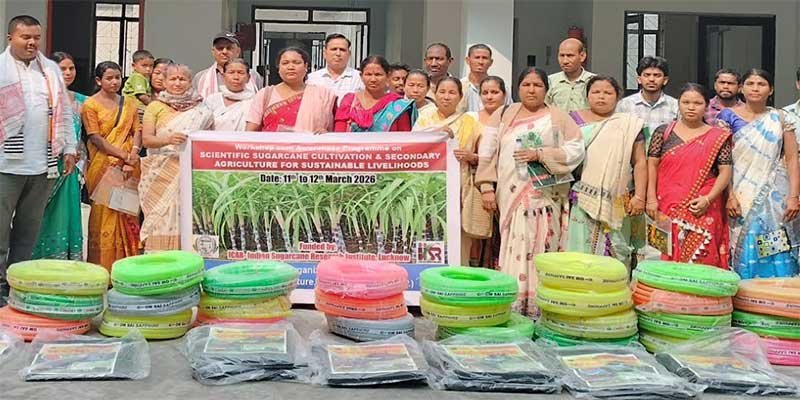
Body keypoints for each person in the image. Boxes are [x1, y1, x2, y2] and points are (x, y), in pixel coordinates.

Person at [475, 67, 584, 317]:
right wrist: (486, 187)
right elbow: (487, 153)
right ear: (518, 88)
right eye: (526, 85)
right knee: (515, 243)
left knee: (543, 243)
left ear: (546, 89)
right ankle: (514, 301)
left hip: (546, 196)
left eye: (537, 85)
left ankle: (541, 304)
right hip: (510, 194)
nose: (531, 90)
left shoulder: (558, 117)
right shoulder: (503, 115)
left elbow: (576, 149)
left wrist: (541, 154)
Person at [1, 16, 77, 299]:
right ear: (10, 38)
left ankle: (16, 283)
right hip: (5, 165)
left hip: (43, 164)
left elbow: (64, 111)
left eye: (36, 37)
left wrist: (69, 148)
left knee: (28, 229)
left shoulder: (50, 70)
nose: (32, 42)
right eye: (25, 37)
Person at [717, 69, 800, 278]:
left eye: (761, 84)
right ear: (741, 89)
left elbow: (792, 158)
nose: (755, 88)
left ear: (770, 90)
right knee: (739, 244)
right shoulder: (727, 117)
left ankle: (773, 290)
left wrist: (793, 196)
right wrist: (729, 195)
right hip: (738, 195)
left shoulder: (781, 118)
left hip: (774, 199)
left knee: (773, 248)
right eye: (750, 84)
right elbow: (722, 161)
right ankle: (743, 291)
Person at [646, 83, 732, 269]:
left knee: (703, 257)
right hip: (666, 204)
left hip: (703, 204)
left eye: (697, 103)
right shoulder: (664, 132)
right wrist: (650, 199)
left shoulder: (718, 136)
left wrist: (708, 199)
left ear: (706, 105)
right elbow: (651, 165)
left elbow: (725, 171)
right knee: (664, 255)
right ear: (678, 103)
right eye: (686, 102)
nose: (691, 107)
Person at [567, 75, 646, 268]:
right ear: (587, 95)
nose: (601, 96)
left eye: (608, 93)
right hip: (582, 196)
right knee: (580, 253)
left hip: (619, 198)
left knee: (617, 249)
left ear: (618, 97)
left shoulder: (629, 124)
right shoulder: (573, 120)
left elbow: (640, 162)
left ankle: (613, 285)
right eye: (596, 92)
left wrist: (640, 196)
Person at [139, 63, 213, 252]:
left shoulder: (202, 109)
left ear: (190, 82)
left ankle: (186, 261)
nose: (177, 83)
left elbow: (209, 139)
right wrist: (168, 139)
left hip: (190, 173)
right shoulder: (155, 107)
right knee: (159, 218)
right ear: (164, 82)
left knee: (188, 217)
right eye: (173, 79)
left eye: (182, 79)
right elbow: (147, 140)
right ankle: (158, 260)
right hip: (160, 173)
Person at [413, 77, 484, 264]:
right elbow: (412, 145)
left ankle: (458, 271)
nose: (446, 97)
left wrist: (471, 156)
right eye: (442, 92)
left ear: (460, 97)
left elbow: (483, 156)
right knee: (429, 230)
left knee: (457, 234)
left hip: (459, 187)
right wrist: (437, 131)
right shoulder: (424, 118)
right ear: (435, 94)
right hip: (428, 188)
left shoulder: (470, 122)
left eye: (452, 93)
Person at [82, 61, 141, 271]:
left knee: (128, 212)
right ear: (99, 81)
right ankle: (103, 266)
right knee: (103, 215)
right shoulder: (90, 105)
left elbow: (137, 131)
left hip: (128, 167)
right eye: (109, 78)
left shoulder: (130, 103)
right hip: (103, 166)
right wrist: (123, 155)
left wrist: (133, 154)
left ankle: (128, 265)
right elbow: (95, 137)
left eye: (117, 77)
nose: (115, 82)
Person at [31, 51, 86, 260]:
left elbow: (87, 136)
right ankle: (38, 257)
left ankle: (65, 259)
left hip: (70, 167)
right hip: (45, 165)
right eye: (63, 69)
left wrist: (80, 157)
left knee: (66, 211)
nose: (68, 72)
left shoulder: (82, 101)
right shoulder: (40, 98)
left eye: (71, 68)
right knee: (40, 211)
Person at [245, 47, 336, 133]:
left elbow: (333, 130)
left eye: (296, 62)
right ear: (279, 68)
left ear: (306, 66)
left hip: (310, 144)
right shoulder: (265, 94)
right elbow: (250, 131)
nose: (291, 67)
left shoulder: (321, 94)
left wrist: (326, 134)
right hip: (272, 144)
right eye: (285, 63)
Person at [334, 55, 415, 132]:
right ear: (361, 76)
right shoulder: (350, 102)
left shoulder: (397, 106)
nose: (373, 79)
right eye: (368, 74)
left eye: (378, 74)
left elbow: (404, 136)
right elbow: (339, 135)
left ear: (388, 76)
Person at [617, 56, 678, 142]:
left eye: (657, 75)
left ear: (665, 80)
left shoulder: (676, 106)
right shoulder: (624, 105)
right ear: (639, 79)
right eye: (647, 75)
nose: (651, 79)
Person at [194, 31, 262, 98]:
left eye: (229, 48)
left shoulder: (253, 76)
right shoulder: (200, 78)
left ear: (238, 51)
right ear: (213, 52)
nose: (224, 51)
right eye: (220, 48)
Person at [307, 33, 364, 104]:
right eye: (334, 49)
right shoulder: (312, 79)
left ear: (349, 54)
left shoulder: (360, 79)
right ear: (324, 53)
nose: (338, 53)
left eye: (342, 50)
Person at [545, 38, 596, 113]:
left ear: (582, 56)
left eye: (570, 56)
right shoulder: (550, 81)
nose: (565, 61)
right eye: (562, 55)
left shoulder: (594, 81)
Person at [204, 58, 255, 131]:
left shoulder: (254, 102)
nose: (236, 77)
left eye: (241, 73)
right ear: (223, 77)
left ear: (248, 78)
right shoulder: (211, 100)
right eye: (231, 72)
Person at [458, 44, 511, 113]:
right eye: (477, 57)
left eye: (485, 58)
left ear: (491, 62)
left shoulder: (500, 87)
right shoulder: (459, 86)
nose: (481, 62)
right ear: (468, 60)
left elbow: (509, 111)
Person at [121, 49, 154, 114]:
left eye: (151, 66)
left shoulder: (144, 77)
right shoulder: (137, 77)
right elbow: (142, 96)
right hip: (136, 108)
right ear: (134, 66)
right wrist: (154, 105)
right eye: (144, 65)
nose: (148, 69)